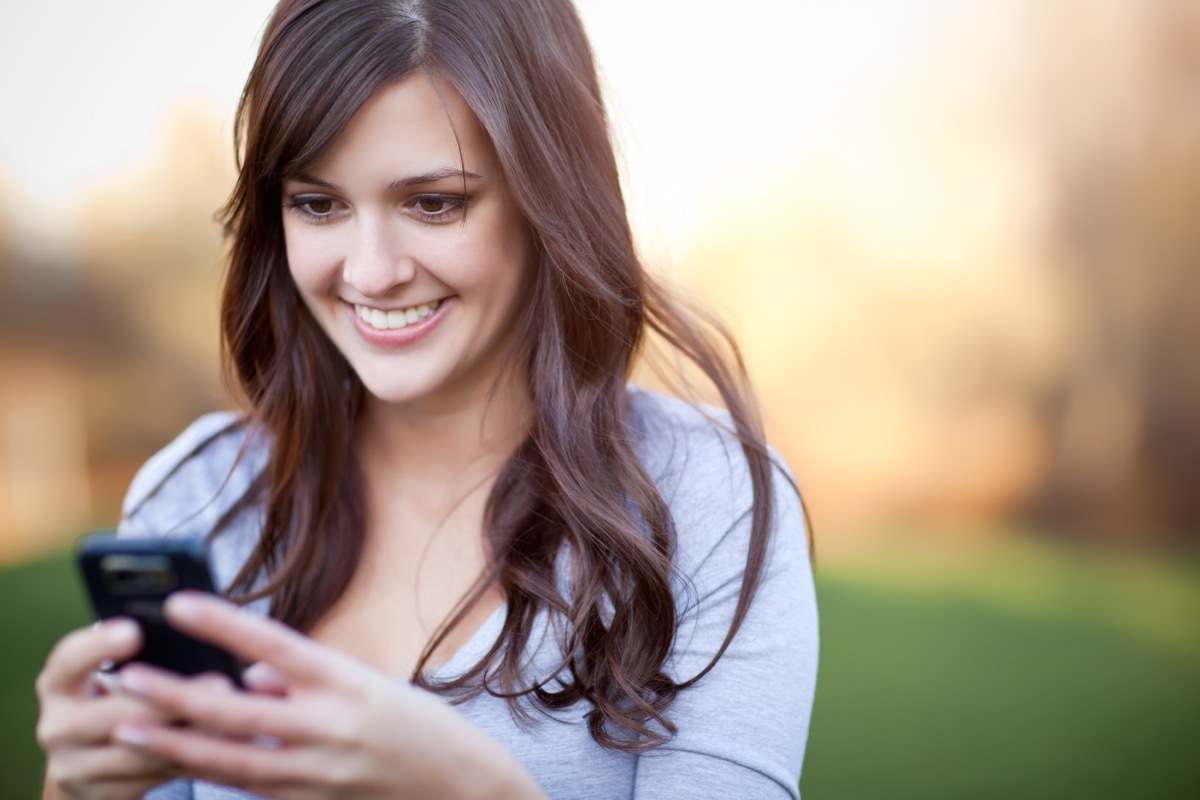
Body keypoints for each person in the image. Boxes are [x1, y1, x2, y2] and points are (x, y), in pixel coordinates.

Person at [35, 0, 819, 797]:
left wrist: (470, 787)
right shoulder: (198, 499)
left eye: (434, 203)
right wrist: (75, 789)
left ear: (550, 197)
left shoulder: (708, 498)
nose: (371, 272)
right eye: (318, 204)